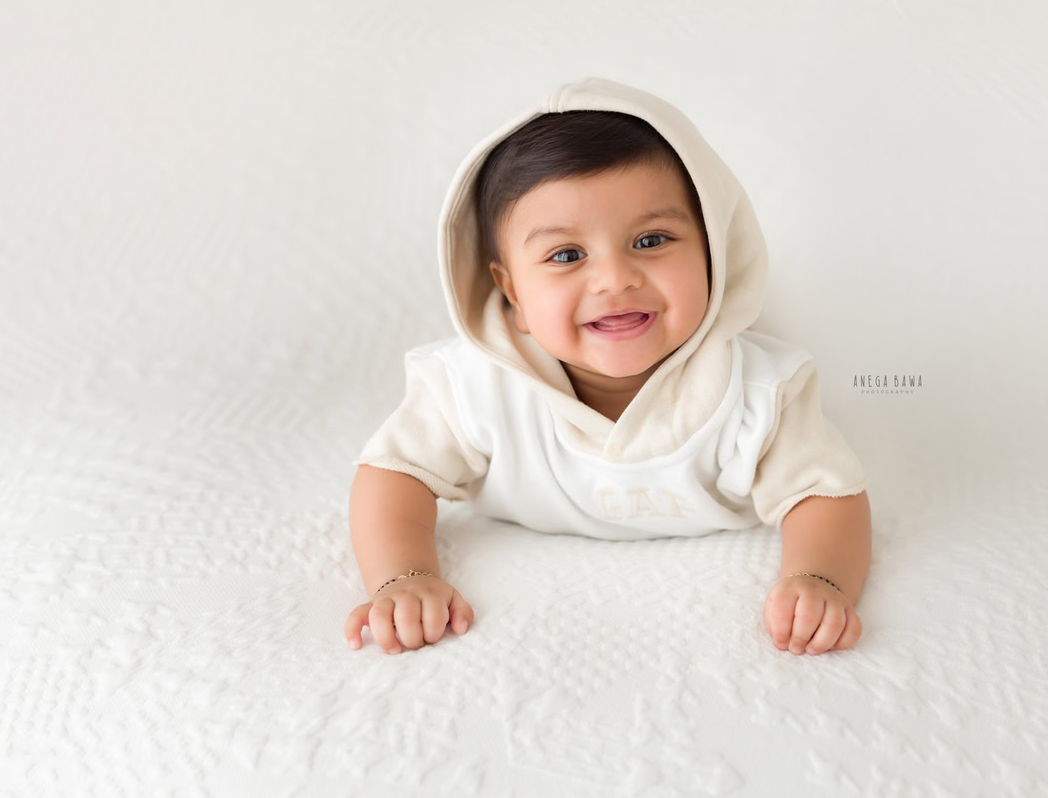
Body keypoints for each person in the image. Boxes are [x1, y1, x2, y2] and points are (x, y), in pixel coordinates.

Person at [344, 77, 872, 658]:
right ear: (512, 292)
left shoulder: (760, 393)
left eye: (651, 239)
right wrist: (403, 576)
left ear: (713, 252)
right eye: (567, 255)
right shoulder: (472, 387)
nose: (615, 279)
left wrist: (820, 578)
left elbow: (826, 495)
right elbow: (394, 474)